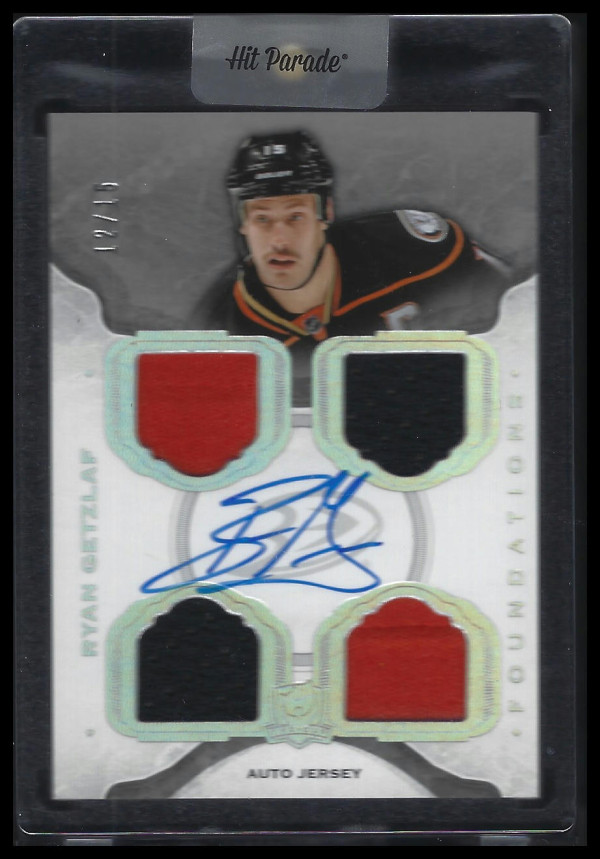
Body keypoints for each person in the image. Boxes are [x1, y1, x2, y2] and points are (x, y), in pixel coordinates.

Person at [190, 131, 513, 403]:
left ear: (326, 213)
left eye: (295, 216)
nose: (279, 240)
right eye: (262, 219)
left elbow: (519, 310)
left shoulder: (412, 249)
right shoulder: (221, 326)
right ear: (243, 224)